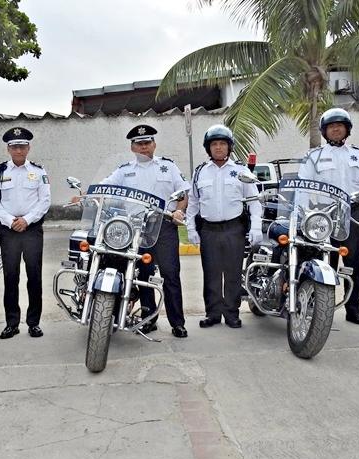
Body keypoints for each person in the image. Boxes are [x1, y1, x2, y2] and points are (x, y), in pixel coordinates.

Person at [99, 124, 191, 338]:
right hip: (137, 228)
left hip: (165, 227)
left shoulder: (168, 167)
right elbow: (105, 186)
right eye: (139, 144)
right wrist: (86, 194)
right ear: (132, 147)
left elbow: (183, 194)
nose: (143, 147)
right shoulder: (124, 171)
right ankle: (148, 319)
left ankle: (178, 322)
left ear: (154, 144)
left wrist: (179, 211)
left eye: (147, 142)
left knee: (171, 275)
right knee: (143, 274)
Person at [298, 108, 359, 325]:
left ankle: (354, 309)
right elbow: (303, 189)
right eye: (331, 126)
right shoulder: (314, 156)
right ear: (324, 131)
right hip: (324, 216)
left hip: (353, 214)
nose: (336, 129)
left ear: (347, 129)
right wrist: (301, 215)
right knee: (324, 263)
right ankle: (321, 311)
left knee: (354, 265)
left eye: (340, 126)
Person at [186, 125, 262, 329]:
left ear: (229, 147)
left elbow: (255, 202)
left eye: (222, 144)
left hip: (233, 229)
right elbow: (193, 203)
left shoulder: (241, 171)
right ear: (208, 148)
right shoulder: (200, 172)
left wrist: (256, 228)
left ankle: (231, 313)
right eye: (214, 144)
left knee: (232, 273)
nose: (218, 148)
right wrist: (191, 228)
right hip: (208, 229)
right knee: (210, 273)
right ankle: (213, 313)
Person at [0, 127, 52, 339]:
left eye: (22, 146)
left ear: (28, 148)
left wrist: (27, 220)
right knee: (11, 277)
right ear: (8, 149)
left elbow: (45, 200)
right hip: (9, 231)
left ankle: (34, 323)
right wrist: (10, 221)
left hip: (32, 230)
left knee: (34, 277)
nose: (19, 150)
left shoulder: (39, 171)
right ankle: (12, 323)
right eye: (14, 146)